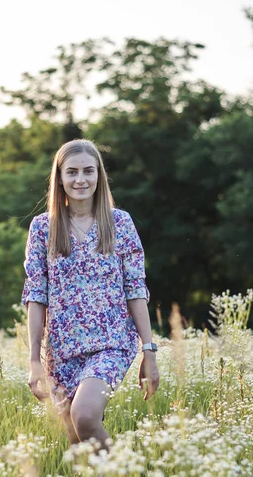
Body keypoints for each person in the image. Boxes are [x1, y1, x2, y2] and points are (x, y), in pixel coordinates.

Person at [22, 139, 159, 450]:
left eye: (88, 171)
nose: (80, 179)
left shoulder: (119, 223)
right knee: (77, 441)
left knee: (84, 416)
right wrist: (34, 360)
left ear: (100, 176)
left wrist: (148, 351)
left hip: (110, 344)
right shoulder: (43, 228)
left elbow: (135, 289)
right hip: (62, 349)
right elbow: (36, 295)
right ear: (59, 178)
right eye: (71, 172)